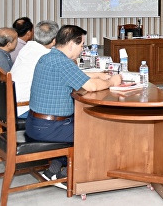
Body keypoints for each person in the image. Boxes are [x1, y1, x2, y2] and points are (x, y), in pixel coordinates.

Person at [26, 25, 121, 184]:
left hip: (36, 124)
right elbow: (91, 87)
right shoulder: (62, 63)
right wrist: (113, 81)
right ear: (71, 44)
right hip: (49, 128)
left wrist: (100, 75)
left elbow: (77, 75)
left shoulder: (49, 57)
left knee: (82, 121)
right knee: (97, 130)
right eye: (82, 45)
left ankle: (54, 171)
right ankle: (77, 176)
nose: (82, 49)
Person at [10, 20, 59, 117]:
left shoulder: (27, 47)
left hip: (10, 103)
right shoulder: (47, 56)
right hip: (24, 107)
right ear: (54, 40)